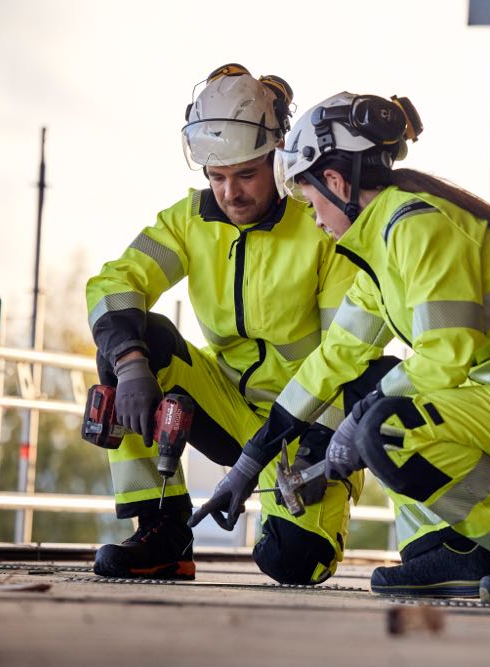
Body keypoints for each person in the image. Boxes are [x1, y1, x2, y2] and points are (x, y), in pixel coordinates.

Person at [190, 92, 490, 604]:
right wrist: (247, 465)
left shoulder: (420, 227)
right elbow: (332, 362)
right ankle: (451, 550)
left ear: (334, 182)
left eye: (309, 201)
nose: (312, 218)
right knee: (371, 393)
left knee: (387, 426)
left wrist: (359, 424)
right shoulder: (380, 247)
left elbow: (447, 352)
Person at [85, 65, 380, 585]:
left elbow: (347, 354)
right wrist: (129, 364)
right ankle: (162, 532)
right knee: (134, 338)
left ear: (278, 160)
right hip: (225, 408)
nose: (231, 192)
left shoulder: (321, 227)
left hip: (302, 426)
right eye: (217, 177)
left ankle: (305, 530)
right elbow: (114, 283)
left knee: (292, 563)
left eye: (246, 174)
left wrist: (320, 452)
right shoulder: (189, 221)